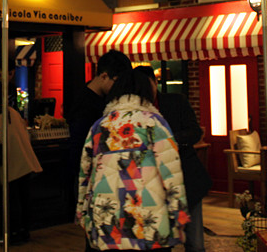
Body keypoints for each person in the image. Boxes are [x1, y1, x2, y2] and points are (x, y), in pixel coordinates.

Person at [77, 68, 190, 251]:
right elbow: (171, 173)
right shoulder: (154, 123)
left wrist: (82, 212)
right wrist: (179, 214)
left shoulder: (99, 126)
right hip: (148, 218)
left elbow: (85, 172)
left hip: (106, 218)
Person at [136, 66, 211, 252]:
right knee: (162, 240)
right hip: (155, 186)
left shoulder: (176, 101)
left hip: (186, 179)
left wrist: (167, 140)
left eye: (148, 84)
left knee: (195, 242)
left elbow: (195, 132)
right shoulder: (136, 112)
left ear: (155, 83)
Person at [66, 49, 133, 220]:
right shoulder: (85, 104)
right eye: (116, 82)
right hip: (89, 173)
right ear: (104, 76)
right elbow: (78, 146)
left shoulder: (98, 98)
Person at [5, 100, 43, 245]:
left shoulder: (3, 114)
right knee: (22, 197)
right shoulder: (13, 113)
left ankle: (15, 232)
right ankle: (23, 230)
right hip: (23, 161)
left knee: (15, 198)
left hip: (12, 161)